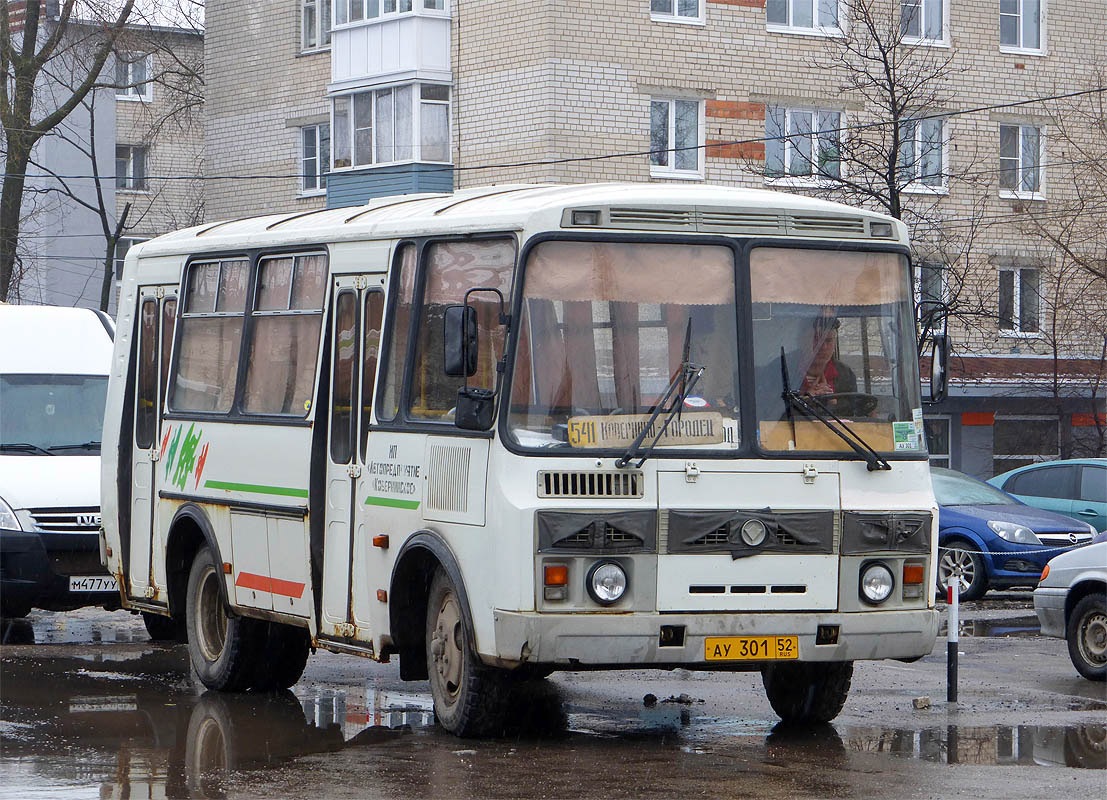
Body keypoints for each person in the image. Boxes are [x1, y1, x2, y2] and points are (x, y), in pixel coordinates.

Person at [800, 316, 857, 397]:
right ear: (802, 340)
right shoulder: (783, 369)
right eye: (817, 339)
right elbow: (778, 408)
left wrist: (832, 403)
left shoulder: (845, 373)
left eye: (828, 340)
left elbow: (853, 408)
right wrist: (806, 399)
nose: (823, 347)